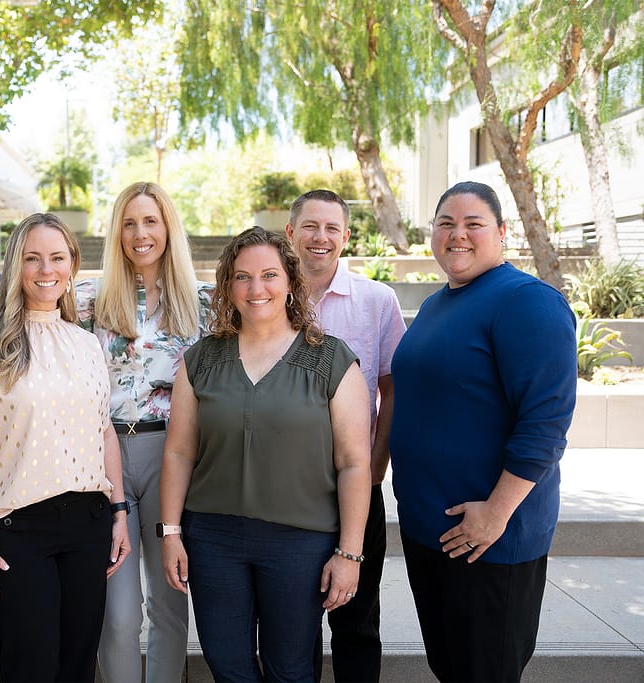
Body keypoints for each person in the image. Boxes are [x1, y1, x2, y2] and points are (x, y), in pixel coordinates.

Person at [160, 226, 371, 682]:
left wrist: (350, 554)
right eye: (242, 277)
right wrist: (171, 531)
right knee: (227, 665)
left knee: (290, 670)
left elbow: (355, 462)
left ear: (291, 282)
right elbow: (178, 452)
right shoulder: (200, 360)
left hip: (301, 543)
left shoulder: (332, 360)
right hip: (212, 539)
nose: (257, 289)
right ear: (227, 286)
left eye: (270, 275)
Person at [390, 181, 577, 682]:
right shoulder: (436, 305)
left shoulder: (526, 301)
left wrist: (496, 514)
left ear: (501, 231)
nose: (458, 235)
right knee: (451, 668)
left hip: (490, 540)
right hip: (431, 530)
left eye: (473, 224)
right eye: (446, 223)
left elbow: (546, 423)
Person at [0, 213, 132, 683]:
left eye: (57, 257)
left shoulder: (86, 345)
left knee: (76, 667)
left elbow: (103, 431)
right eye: (33, 258)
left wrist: (120, 512)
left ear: (72, 266)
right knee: (31, 668)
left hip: (88, 525)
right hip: (15, 530)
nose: (46, 269)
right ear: (15, 266)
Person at [75, 182, 211, 683]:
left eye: (151, 221)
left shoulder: (203, 303)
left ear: (168, 227)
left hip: (171, 454)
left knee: (171, 601)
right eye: (129, 223)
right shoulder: (87, 300)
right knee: (120, 611)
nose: (140, 233)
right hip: (106, 454)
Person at [286, 189, 406, 682]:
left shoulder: (377, 301)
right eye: (310, 227)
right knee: (293, 624)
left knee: (356, 619)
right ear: (290, 233)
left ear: (346, 237)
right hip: (286, 490)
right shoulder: (262, 295)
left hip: (356, 487)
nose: (321, 238)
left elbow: (393, 390)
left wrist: (376, 467)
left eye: (332, 228)